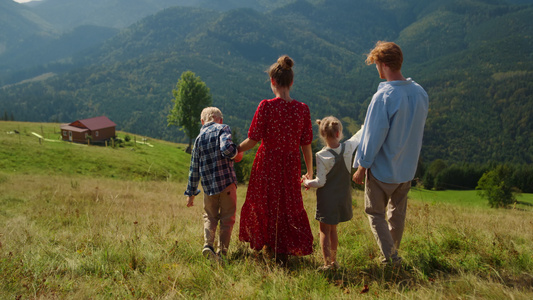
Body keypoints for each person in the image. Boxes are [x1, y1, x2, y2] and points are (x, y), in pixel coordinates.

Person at [352, 41, 429, 265]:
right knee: (397, 215)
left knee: (375, 213)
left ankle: (391, 257)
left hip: (383, 169)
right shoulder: (420, 93)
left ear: (383, 64)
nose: (376, 68)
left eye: (376, 63)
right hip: (407, 168)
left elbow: (373, 135)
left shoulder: (384, 97)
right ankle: (392, 252)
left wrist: (361, 166)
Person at [238, 55, 314, 264]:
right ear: (291, 82)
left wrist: (234, 150)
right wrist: (310, 171)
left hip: (267, 163)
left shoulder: (266, 106)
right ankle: (282, 248)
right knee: (288, 205)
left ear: (272, 81)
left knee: (265, 203)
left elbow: (253, 140)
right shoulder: (302, 109)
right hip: (290, 165)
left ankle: (267, 244)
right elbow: (306, 144)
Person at [184, 107, 243, 262]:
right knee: (227, 218)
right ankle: (221, 254)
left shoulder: (198, 138)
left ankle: (207, 245)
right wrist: (237, 153)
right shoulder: (223, 128)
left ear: (202, 122)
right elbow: (227, 149)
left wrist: (191, 193)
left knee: (209, 216)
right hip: (226, 184)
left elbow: (194, 168)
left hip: (208, 187)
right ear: (220, 119)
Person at [304, 116, 363, 270]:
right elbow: (358, 136)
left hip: (327, 200)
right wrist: (365, 126)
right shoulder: (348, 148)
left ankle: (326, 263)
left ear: (323, 135)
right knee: (334, 229)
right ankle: (334, 261)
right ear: (339, 133)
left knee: (324, 230)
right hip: (342, 198)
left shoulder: (321, 155)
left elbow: (320, 182)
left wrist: (305, 182)